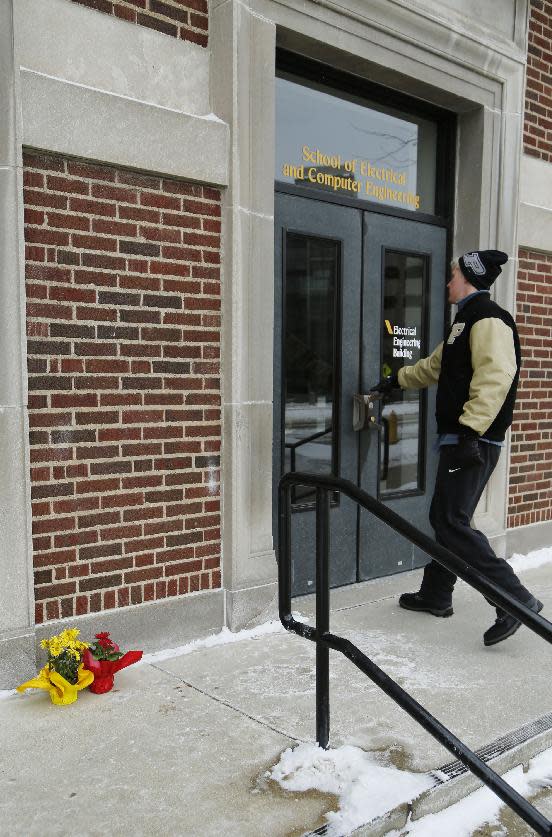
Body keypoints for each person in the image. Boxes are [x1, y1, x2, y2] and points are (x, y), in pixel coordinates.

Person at [372, 250, 543, 646]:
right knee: (448, 518)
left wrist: (470, 431)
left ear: (467, 278)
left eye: (452, 276)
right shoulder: (464, 322)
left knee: (451, 521)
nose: (447, 283)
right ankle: (436, 593)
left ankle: (514, 600)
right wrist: (395, 380)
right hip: (464, 438)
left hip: (472, 440)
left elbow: (497, 376)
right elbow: (436, 366)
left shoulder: (489, 319)